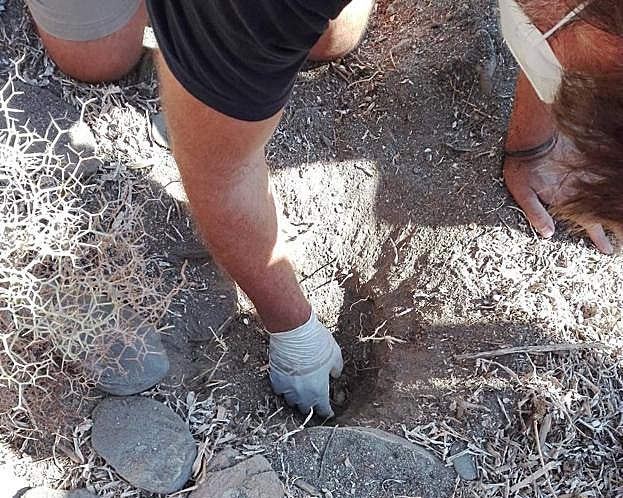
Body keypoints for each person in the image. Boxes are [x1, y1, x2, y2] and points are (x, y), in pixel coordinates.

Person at [22, 0, 623, 416]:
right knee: (97, 59)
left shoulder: (584, 21)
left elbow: (567, 34)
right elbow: (221, 171)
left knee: (332, 38)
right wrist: (291, 327)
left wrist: (536, 140)